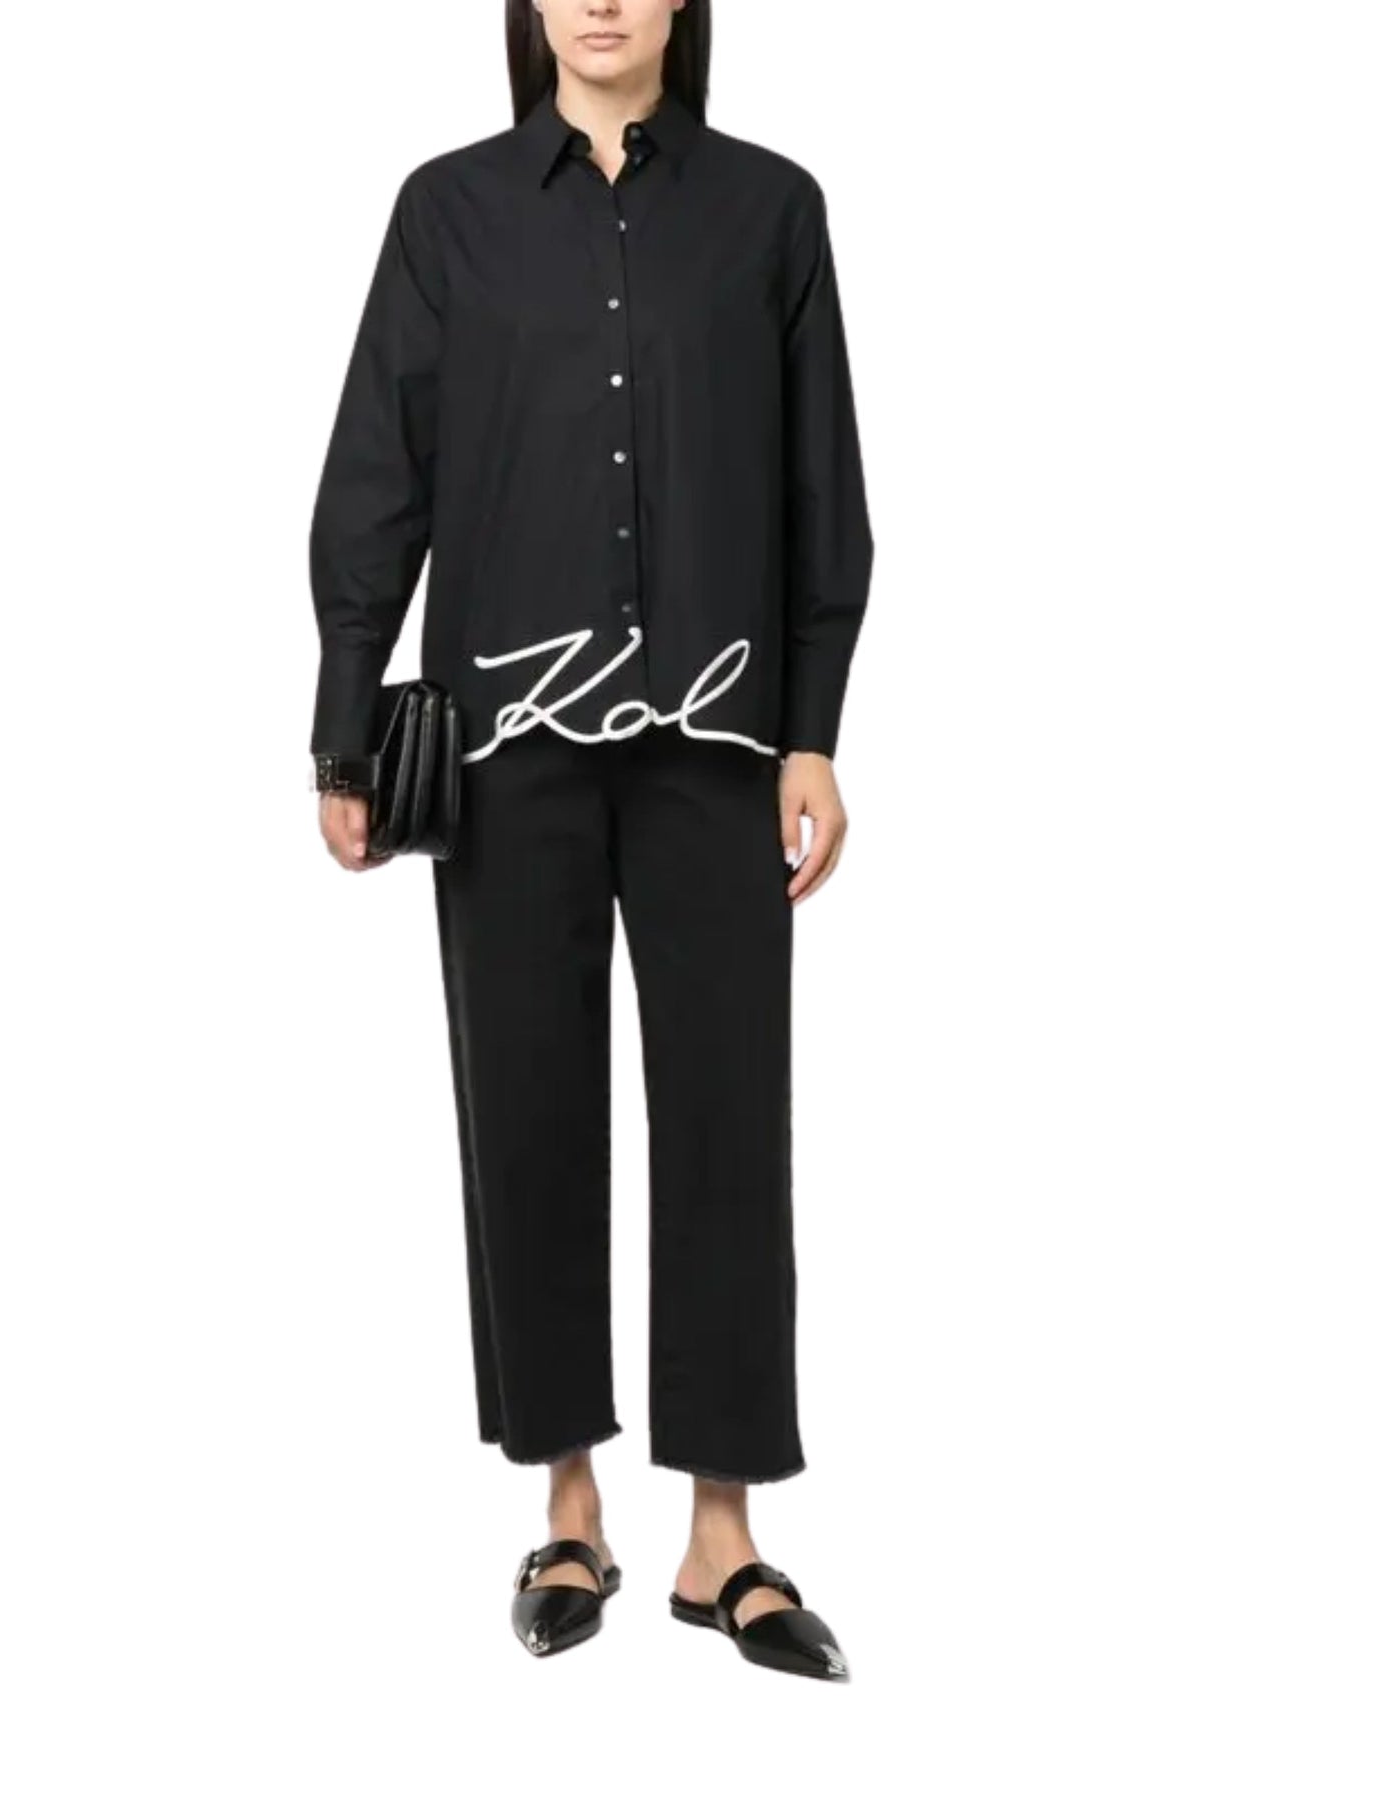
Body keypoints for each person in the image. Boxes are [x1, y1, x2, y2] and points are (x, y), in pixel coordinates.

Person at [306, 0, 872, 1681]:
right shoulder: (449, 212)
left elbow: (823, 492)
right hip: (507, 754)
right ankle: (568, 1506)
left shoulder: (771, 211)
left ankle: (723, 1539)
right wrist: (346, 723)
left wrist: (814, 732)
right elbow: (378, 473)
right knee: (529, 1115)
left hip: (717, 748)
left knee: (729, 1127)